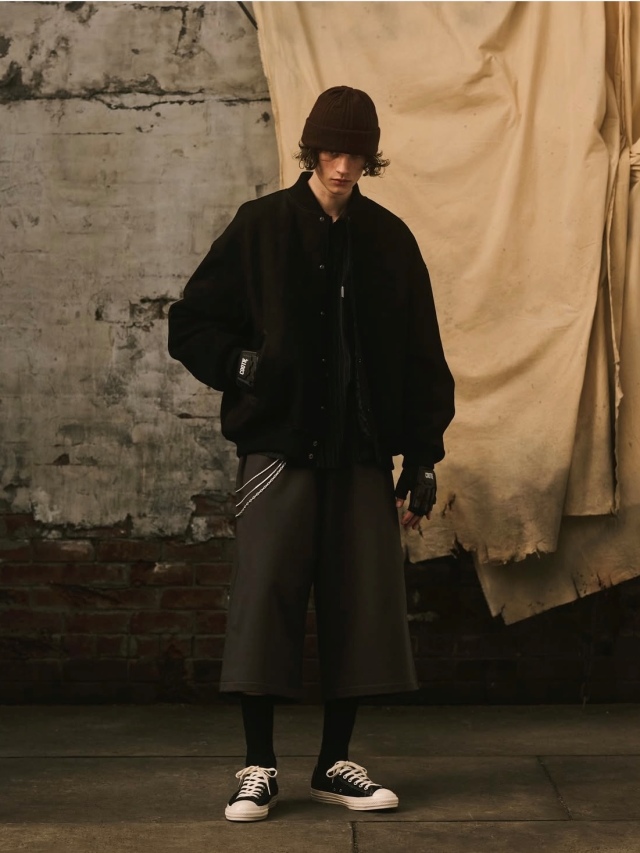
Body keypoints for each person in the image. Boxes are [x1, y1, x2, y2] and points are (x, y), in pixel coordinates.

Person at [168, 85, 455, 822]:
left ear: (370, 158)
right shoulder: (260, 227)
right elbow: (191, 322)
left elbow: (422, 353)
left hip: (360, 454)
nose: (343, 166)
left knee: (360, 604)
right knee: (264, 600)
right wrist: (241, 365)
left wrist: (422, 456)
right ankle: (258, 765)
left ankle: (334, 763)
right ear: (311, 150)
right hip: (278, 452)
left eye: (357, 154)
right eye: (332, 150)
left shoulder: (389, 240)